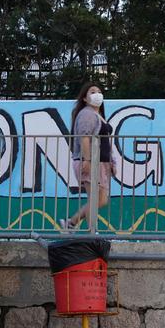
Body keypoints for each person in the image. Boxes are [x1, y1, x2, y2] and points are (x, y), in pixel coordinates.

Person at [59, 82, 115, 231]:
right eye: (92, 92)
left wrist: (111, 162)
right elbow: (84, 137)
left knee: (101, 200)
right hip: (90, 162)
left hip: (101, 163)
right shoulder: (86, 114)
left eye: (99, 91)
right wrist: (87, 159)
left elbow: (106, 141)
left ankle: (71, 222)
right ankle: (91, 232)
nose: (97, 94)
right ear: (84, 98)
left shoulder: (98, 115)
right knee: (94, 198)